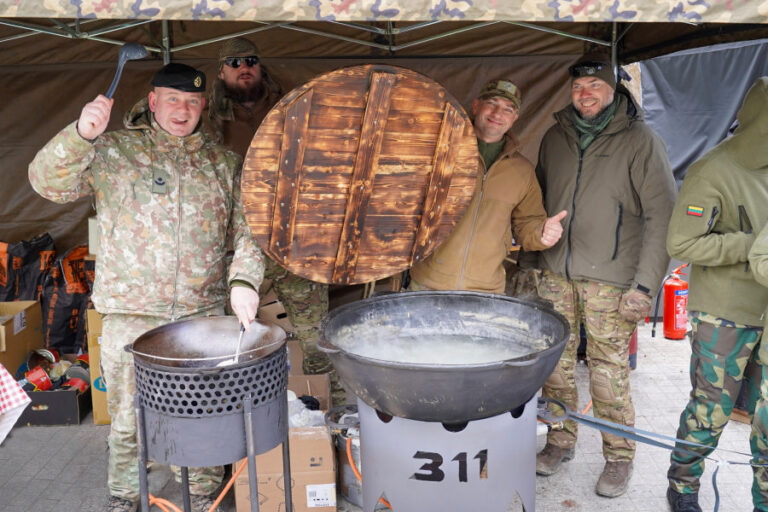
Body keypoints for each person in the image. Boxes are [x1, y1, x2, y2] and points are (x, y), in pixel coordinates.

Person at [28, 63, 264, 512]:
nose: (183, 110)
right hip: (132, 316)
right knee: (128, 420)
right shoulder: (113, 153)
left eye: (193, 102)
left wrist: (244, 281)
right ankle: (124, 498)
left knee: (200, 416)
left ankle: (201, 496)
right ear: (153, 101)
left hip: (201, 317)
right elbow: (47, 183)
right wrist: (81, 133)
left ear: (203, 107)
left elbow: (249, 234)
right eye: (173, 100)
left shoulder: (223, 164)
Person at [534, 52, 676, 498]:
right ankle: (560, 439)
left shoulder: (640, 140)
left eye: (594, 87)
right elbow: (535, 210)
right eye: (578, 88)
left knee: (607, 371)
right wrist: (530, 264)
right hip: (556, 273)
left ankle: (618, 457)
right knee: (553, 367)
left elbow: (662, 215)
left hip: (612, 279)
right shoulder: (554, 138)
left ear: (613, 90)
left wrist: (646, 286)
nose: (585, 94)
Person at [665, 77, 768, 512]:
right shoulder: (715, 169)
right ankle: (683, 486)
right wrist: (752, 244)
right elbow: (682, 246)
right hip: (726, 313)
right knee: (710, 411)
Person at [206, 37, 335, 384]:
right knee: (226, 337)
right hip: (234, 249)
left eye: (249, 60)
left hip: (294, 243)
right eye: (234, 63)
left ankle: (328, 418)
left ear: (260, 66)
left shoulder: (293, 106)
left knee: (316, 337)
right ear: (221, 72)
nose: (243, 68)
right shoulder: (204, 120)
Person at [408, 78, 567, 293]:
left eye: (508, 109)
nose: (498, 114)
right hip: (426, 284)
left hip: (486, 291)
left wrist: (542, 234)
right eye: (492, 103)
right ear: (476, 106)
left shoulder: (522, 171)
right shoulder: (439, 152)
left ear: (515, 118)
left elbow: (526, 225)